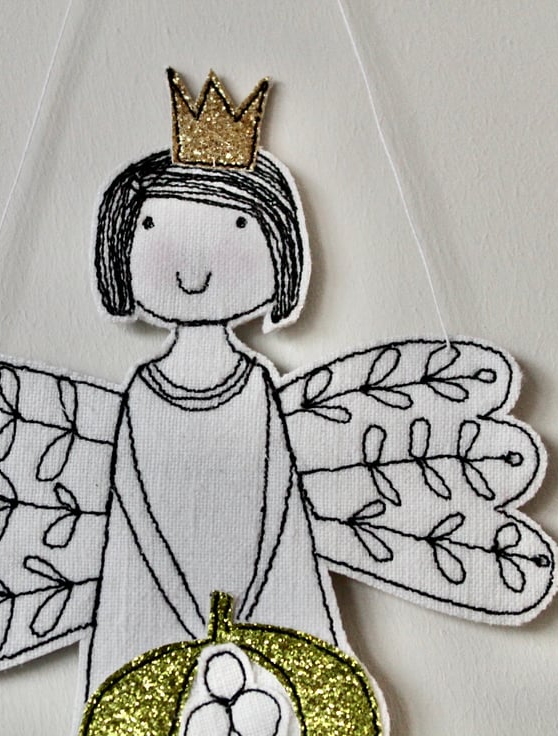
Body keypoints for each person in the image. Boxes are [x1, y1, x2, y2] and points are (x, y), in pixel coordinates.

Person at [86, 149, 345, 694]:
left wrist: (243, 611)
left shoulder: (257, 387)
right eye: (151, 226)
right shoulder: (141, 394)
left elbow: (280, 500)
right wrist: (189, 617)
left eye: (239, 225)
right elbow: (131, 504)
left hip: (260, 593)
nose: (193, 269)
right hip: (155, 599)